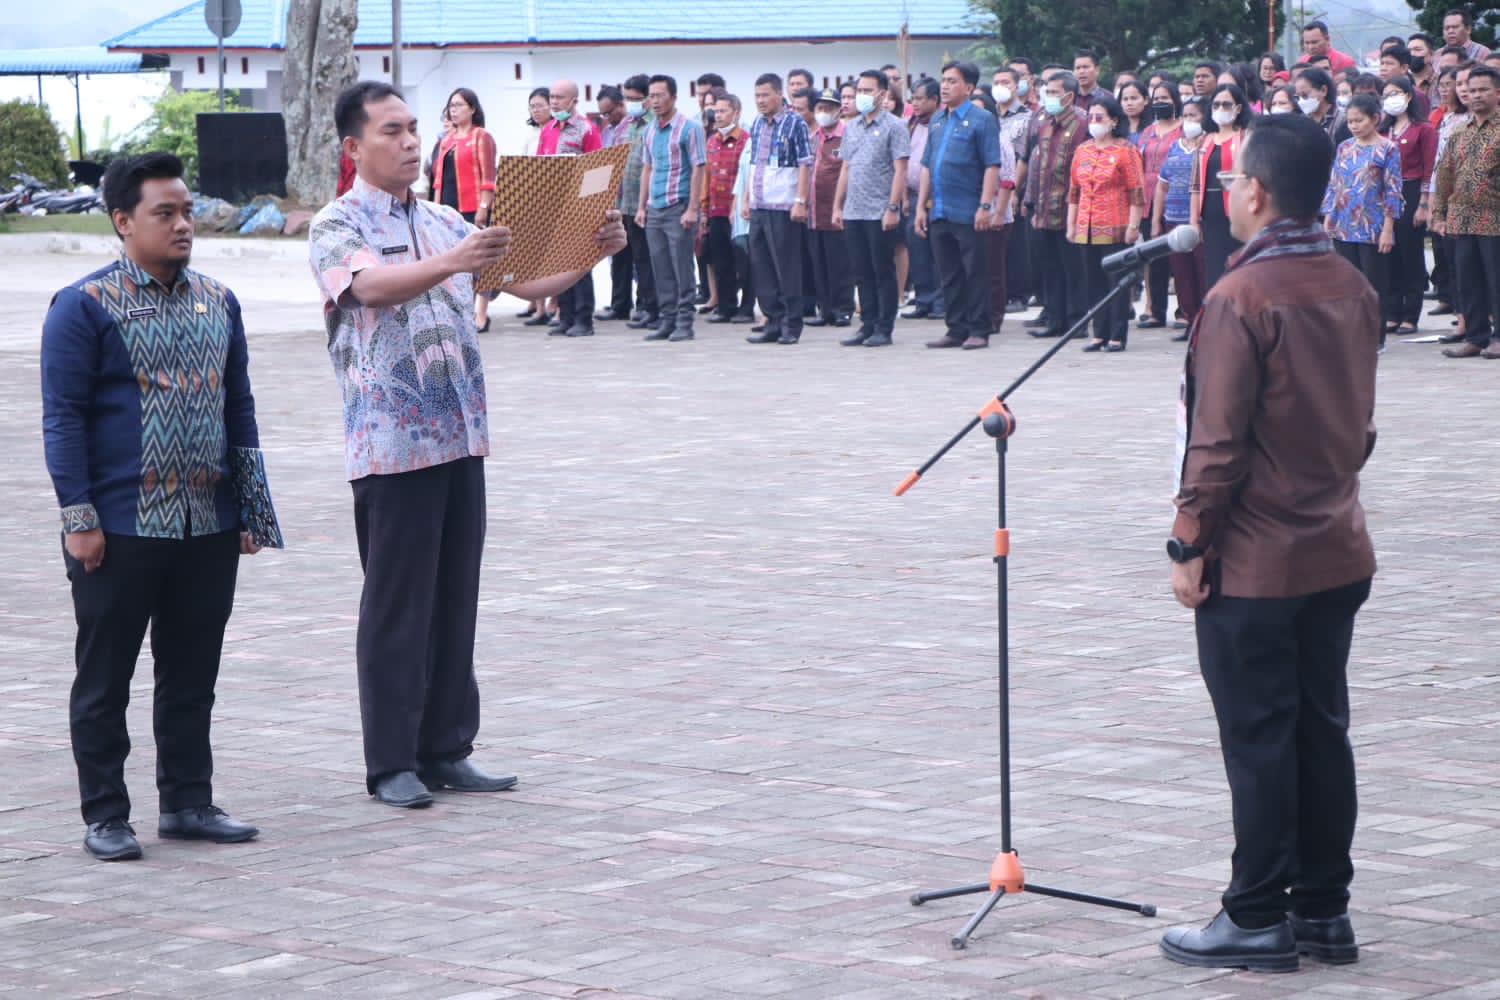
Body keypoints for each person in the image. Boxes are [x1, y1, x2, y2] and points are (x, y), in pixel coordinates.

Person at [308, 81, 626, 808]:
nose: (412, 141)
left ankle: (447, 748)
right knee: (397, 606)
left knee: (455, 599)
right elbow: (369, 287)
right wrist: (455, 263)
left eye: (415, 127)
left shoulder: (446, 218)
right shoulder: (337, 223)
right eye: (393, 131)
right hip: (392, 447)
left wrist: (592, 254)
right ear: (354, 147)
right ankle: (391, 761)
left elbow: (521, 282)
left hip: (458, 437)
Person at [1160, 112, 1378, 975]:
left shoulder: (1240, 295)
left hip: (1256, 556)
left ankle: (1255, 914)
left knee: (1259, 737)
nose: (1225, 196)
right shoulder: (1351, 283)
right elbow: (1358, 430)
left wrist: (1188, 543)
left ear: (1256, 189)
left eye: (1229, 180)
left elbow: (1216, 445)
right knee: (1321, 729)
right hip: (1336, 542)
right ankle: (1324, 910)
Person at [41, 151, 272, 861]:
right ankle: (106, 814)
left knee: (191, 672)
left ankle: (189, 803)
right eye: (163, 213)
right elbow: (64, 417)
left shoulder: (217, 300)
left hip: (207, 521)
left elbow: (239, 406)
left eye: (186, 211)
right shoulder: (83, 306)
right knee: (106, 676)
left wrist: (251, 511)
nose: (182, 225)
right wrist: (78, 519)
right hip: (120, 526)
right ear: (121, 221)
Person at [916, 60, 1004, 351]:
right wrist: (921, 207)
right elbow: (927, 165)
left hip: (968, 209)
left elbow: (992, 165)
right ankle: (956, 328)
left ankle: (979, 329)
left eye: (952, 81)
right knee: (949, 273)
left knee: (975, 271)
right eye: (943, 80)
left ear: (968, 87)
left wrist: (985, 205)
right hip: (939, 208)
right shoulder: (938, 121)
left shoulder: (982, 119)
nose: (945, 86)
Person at [833, 69, 910, 347]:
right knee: (861, 271)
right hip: (854, 210)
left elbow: (900, 170)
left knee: (881, 270)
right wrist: (837, 205)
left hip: (880, 210)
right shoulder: (851, 126)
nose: (862, 96)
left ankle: (883, 327)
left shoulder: (895, 125)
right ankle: (866, 324)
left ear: (883, 93)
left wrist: (893, 207)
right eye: (859, 91)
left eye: (868, 91)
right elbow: (845, 168)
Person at [1321, 93, 1403, 351]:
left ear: (1375, 119)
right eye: (1351, 121)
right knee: (1346, 282)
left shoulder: (1387, 148)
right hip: (1344, 224)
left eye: (1360, 120)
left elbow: (1393, 189)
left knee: (1373, 284)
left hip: (1373, 225)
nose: (1354, 125)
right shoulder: (1345, 147)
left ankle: (1375, 337)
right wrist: (1328, 217)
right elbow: (1335, 184)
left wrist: (1388, 228)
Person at [1433, 65, 1500, 358]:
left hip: (1494, 218)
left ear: (1497, 92)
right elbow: (1444, 172)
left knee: (1496, 280)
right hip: (1461, 218)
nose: (1476, 95)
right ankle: (1476, 337)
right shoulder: (1460, 131)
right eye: (1472, 91)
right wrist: (1438, 212)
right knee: (1468, 280)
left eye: (1483, 89)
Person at [1069, 95, 1145, 352]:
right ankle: (1098, 333)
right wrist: (1072, 225)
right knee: (1093, 283)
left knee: (1117, 284)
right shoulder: (1082, 150)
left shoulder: (1126, 151)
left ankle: (1116, 335)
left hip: (1116, 227)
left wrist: (1133, 227)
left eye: (1099, 116)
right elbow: (1074, 192)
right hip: (1086, 227)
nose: (1094, 122)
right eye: (1090, 117)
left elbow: (1136, 192)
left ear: (1113, 120)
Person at [635, 73, 707, 343]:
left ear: (673, 97)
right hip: (655, 207)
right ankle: (666, 321)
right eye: (651, 96)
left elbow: (699, 167)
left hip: (679, 207)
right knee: (660, 267)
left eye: (659, 95)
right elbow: (647, 168)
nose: (654, 101)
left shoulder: (690, 128)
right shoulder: (650, 130)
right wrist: (642, 207)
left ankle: (685, 322)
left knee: (682, 267)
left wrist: (692, 208)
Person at [744, 73, 813, 345]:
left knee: (786, 266)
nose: (760, 101)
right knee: (761, 266)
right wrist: (748, 198)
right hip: (759, 204)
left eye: (765, 95)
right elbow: (753, 164)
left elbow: (805, 163)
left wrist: (800, 201)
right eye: (757, 96)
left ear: (778, 95)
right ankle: (771, 320)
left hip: (784, 205)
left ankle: (791, 324)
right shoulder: (758, 124)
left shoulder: (795, 122)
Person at [1025, 69, 1089, 339]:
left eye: (1053, 92)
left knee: (1073, 268)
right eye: (1046, 92)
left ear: (1069, 96)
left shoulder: (1082, 125)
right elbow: (1037, 166)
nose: (1048, 97)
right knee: (1049, 267)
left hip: (1069, 208)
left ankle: (1077, 321)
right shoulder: (1044, 124)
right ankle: (1055, 319)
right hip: (1044, 208)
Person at [538, 78, 603, 338]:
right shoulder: (548, 129)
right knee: (558, 264)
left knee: (579, 264)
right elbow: (541, 166)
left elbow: (598, 169)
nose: (554, 101)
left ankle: (584, 319)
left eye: (560, 97)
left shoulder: (587, 129)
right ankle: (564, 316)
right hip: (554, 206)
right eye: (552, 96)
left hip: (579, 207)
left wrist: (592, 208)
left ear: (574, 101)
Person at [431, 88, 498, 333]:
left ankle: (481, 314)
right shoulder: (446, 140)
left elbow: (488, 175)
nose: (454, 110)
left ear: (472, 108)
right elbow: (437, 178)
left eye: (459, 105)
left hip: (473, 208)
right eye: (451, 106)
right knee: (456, 263)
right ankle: (462, 310)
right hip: (448, 209)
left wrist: (484, 206)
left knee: (479, 263)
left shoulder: (481, 136)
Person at [1380, 76, 1437, 335]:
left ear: (1408, 96)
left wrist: (1424, 204)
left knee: (1410, 254)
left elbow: (1429, 168)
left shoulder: (1423, 129)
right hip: (1385, 194)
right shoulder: (1383, 131)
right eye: (1386, 94)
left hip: (1412, 190)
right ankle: (1392, 311)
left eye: (1395, 93)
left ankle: (1410, 313)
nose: (1390, 98)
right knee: (1388, 253)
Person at [1155, 96, 1209, 335]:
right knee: (1182, 274)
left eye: (1193, 116)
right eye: (1185, 116)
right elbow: (1162, 184)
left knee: (1202, 271)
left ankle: (1205, 321)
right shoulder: (1176, 146)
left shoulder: (1209, 144)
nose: (1188, 121)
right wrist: (1157, 218)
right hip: (1173, 218)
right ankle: (1189, 318)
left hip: (1198, 220)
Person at [1191, 83, 1253, 291]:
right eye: (1216, 104)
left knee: (1240, 266)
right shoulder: (1204, 140)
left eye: (1226, 104)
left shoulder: (1246, 137)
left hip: (1239, 211)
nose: (1220, 109)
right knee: (1215, 268)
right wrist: (1194, 221)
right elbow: (1195, 184)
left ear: (1238, 108)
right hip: (1210, 212)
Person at [702, 91, 754, 325]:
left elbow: (747, 176)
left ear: (736, 112)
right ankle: (726, 306)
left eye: (723, 111)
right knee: (721, 261)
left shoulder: (746, 140)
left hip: (739, 213)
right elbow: (706, 177)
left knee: (744, 262)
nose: (718, 115)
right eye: (716, 111)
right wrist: (704, 209)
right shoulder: (711, 141)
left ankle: (746, 308)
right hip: (716, 210)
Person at [806, 87, 854, 329]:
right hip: (814, 212)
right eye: (820, 108)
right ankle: (824, 309)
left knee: (840, 264)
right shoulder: (813, 138)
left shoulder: (847, 135)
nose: (824, 112)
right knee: (819, 263)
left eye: (829, 108)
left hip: (837, 211)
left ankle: (842, 309)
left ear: (839, 110)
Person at [1137, 83, 1184, 329]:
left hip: (1176, 199)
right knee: (1155, 258)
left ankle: (1184, 311)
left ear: (1175, 101)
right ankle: (1156, 311)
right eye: (1156, 98)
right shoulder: (1147, 132)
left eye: (1165, 98)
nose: (1160, 102)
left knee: (1180, 257)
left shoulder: (1184, 130)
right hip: (1147, 200)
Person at [617, 75, 661, 334]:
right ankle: (643, 305)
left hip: (648, 202)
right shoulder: (625, 125)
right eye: (628, 98)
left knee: (649, 260)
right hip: (626, 202)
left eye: (635, 98)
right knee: (636, 258)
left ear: (647, 99)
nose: (631, 103)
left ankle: (652, 307)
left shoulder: (653, 125)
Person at [902, 77, 944, 320]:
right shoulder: (912, 125)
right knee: (917, 251)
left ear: (934, 100)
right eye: (913, 99)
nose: (915, 104)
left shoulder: (941, 124)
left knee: (938, 252)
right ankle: (923, 299)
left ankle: (941, 301)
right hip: (915, 197)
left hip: (938, 198)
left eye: (920, 99)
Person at [595, 85, 636, 323]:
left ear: (621, 105)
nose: (606, 117)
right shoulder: (608, 132)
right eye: (603, 114)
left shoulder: (632, 128)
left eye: (609, 112)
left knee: (640, 258)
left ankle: (644, 305)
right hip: (614, 203)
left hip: (632, 200)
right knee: (618, 256)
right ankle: (619, 304)